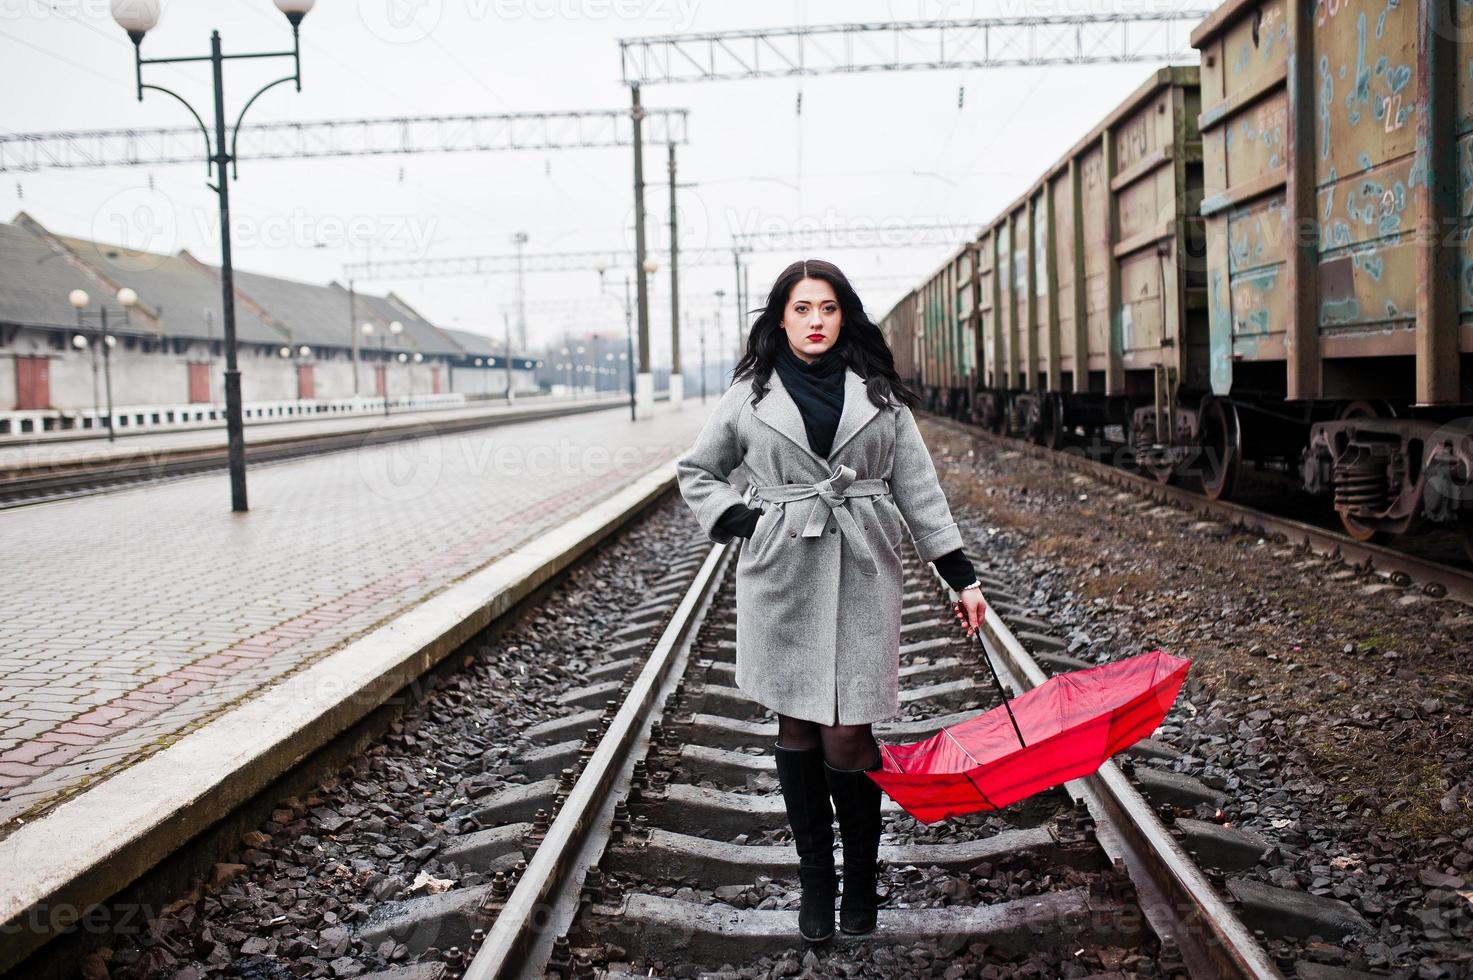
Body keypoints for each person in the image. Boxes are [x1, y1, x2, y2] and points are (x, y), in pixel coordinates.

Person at [675, 257, 988, 943]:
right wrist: (740, 521)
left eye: (826, 309)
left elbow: (919, 490)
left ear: (843, 316)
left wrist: (959, 575)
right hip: (780, 570)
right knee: (796, 728)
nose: (814, 321)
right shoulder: (749, 394)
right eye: (800, 309)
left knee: (850, 732)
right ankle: (816, 880)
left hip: (862, 567)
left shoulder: (878, 396)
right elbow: (696, 470)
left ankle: (861, 880)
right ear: (779, 318)